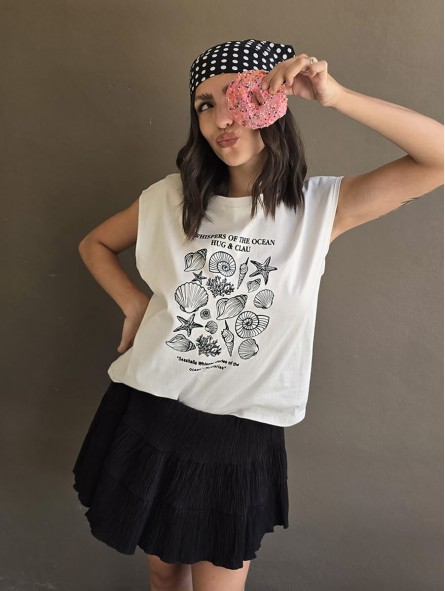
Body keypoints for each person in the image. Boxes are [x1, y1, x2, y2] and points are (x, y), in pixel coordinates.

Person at [73, 39, 443, 591]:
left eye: (237, 97)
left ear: (275, 102)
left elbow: (438, 157)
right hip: (150, 408)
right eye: (204, 105)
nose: (221, 118)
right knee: (162, 572)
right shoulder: (168, 198)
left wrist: (336, 96)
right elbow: (95, 244)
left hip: (239, 432)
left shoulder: (318, 208)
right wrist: (134, 303)